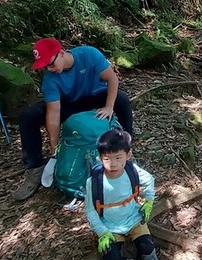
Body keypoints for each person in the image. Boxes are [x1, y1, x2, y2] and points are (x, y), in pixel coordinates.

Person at [13, 38, 134, 201]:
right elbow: (53, 114)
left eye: (51, 64)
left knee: (122, 100)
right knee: (28, 117)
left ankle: (125, 149)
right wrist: (55, 148)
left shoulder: (89, 54)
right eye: (45, 67)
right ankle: (34, 169)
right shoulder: (50, 78)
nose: (49, 69)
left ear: (61, 53)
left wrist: (109, 107)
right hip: (69, 103)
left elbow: (112, 79)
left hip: (95, 96)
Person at [85, 129, 160, 260]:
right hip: (110, 226)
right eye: (107, 158)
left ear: (128, 155)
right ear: (100, 158)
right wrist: (102, 232)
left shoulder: (131, 171)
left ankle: (150, 259)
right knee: (110, 258)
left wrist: (148, 201)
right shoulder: (94, 182)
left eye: (118, 157)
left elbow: (149, 180)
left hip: (133, 218)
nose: (113, 164)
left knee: (146, 245)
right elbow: (90, 210)